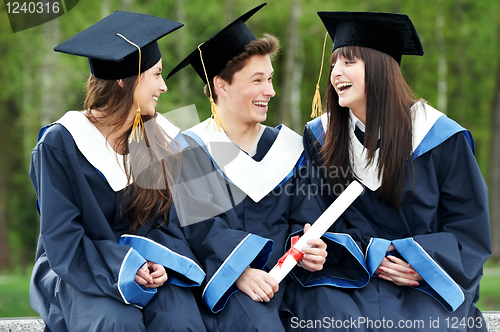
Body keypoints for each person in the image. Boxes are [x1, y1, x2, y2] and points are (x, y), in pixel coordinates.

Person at [290, 11, 492, 331]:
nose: (336, 73)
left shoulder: (439, 138)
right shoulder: (321, 137)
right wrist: (313, 246)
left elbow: (469, 229)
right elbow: (309, 216)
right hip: (347, 277)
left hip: (421, 282)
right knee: (323, 319)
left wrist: (424, 264)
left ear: (380, 68)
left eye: (349, 62)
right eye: (333, 65)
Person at [29, 11, 207, 332]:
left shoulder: (152, 139)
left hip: (143, 265)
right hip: (76, 267)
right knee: (115, 321)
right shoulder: (61, 143)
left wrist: (159, 261)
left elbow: (166, 221)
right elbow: (62, 238)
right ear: (126, 80)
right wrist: (123, 266)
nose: (164, 87)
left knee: (179, 318)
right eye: (156, 74)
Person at [166, 3, 329, 331]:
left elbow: (306, 217)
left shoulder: (291, 148)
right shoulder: (188, 150)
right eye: (257, 80)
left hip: (292, 279)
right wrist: (237, 270)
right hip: (223, 285)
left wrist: (310, 245)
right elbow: (199, 230)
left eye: (269, 79)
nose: (270, 91)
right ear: (221, 85)